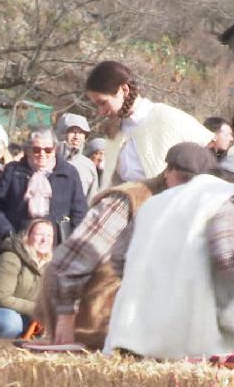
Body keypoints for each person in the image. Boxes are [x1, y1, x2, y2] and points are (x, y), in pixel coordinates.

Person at [104, 154, 234, 361]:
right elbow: (233, 256)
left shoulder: (157, 201)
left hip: (130, 333)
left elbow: (119, 258)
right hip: (188, 340)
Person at [44, 142, 217, 348]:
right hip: (97, 320)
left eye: (195, 184)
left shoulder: (196, 212)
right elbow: (73, 260)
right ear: (167, 172)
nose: (187, 188)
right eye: (183, 179)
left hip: (149, 328)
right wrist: (65, 316)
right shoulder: (127, 200)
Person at [85, 61, 213, 190]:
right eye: (96, 105)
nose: (101, 112)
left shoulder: (167, 118)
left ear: (124, 90)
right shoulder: (114, 130)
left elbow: (211, 149)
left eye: (103, 103)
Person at [0, 129, 87, 244]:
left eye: (48, 150)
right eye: (36, 150)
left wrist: (71, 240)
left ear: (55, 150)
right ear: (28, 150)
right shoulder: (13, 171)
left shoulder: (68, 173)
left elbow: (79, 212)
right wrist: (7, 232)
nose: (42, 154)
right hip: (18, 241)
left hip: (55, 244)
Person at [0, 219, 53, 340]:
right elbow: (1, 298)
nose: (45, 239)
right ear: (28, 236)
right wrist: (38, 309)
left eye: (49, 235)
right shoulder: (10, 258)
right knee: (11, 322)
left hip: (19, 313)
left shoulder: (48, 268)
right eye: (40, 234)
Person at [55, 113, 99, 202]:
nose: (77, 136)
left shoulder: (88, 165)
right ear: (61, 133)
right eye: (72, 132)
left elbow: (91, 199)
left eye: (81, 133)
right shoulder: (47, 160)